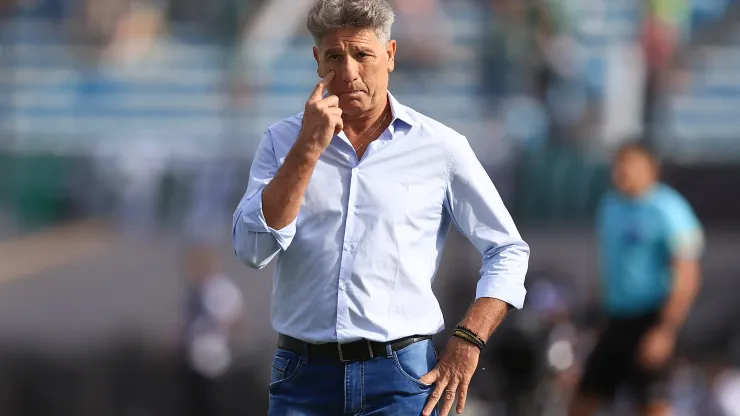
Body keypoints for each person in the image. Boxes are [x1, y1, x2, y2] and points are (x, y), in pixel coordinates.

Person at [231, 1, 529, 415]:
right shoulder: (283, 142)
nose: (349, 71)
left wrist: (469, 339)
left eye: (362, 54)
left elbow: (508, 250)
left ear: (389, 55)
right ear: (317, 61)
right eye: (335, 56)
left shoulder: (440, 147)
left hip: (402, 376)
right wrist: (306, 150)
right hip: (302, 377)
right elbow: (252, 250)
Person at [568, 143, 704, 416]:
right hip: (617, 319)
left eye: (630, 164)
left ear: (652, 169)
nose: (622, 171)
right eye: (618, 164)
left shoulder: (669, 210)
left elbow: (688, 275)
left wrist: (665, 330)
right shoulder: (609, 206)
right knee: (583, 399)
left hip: (652, 318)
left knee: (652, 403)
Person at [180, 244, 245, 416]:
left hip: (216, 360)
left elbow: (236, 318)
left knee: (215, 405)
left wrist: (221, 327)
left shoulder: (222, 289)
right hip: (195, 359)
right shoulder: (195, 291)